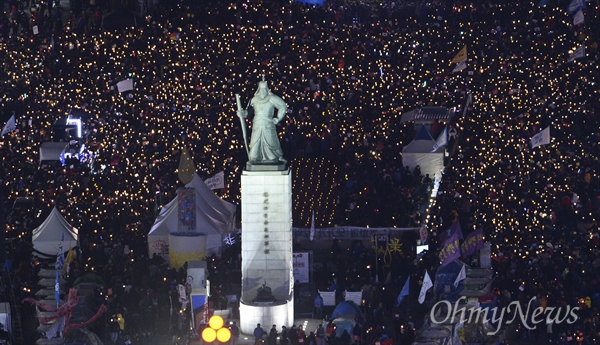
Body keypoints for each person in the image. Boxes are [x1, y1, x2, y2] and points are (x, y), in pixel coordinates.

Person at [238, 77, 288, 165]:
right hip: (257, 123)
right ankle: (254, 157)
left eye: (264, 89)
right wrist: (242, 113)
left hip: (268, 122)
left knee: (271, 141)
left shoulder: (272, 98)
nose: (262, 91)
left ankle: (275, 157)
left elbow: (283, 106)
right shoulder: (254, 100)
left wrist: (278, 118)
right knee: (255, 141)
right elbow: (249, 112)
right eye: (261, 89)